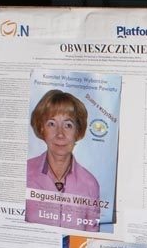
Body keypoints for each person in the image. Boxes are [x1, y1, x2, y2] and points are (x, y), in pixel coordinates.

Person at [24, 89, 101, 231]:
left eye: (68, 125)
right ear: (42, 128)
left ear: (77, 132)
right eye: (52, 124)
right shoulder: (24, 174)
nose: (60, 134)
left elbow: (91, 238)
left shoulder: (90, 184)